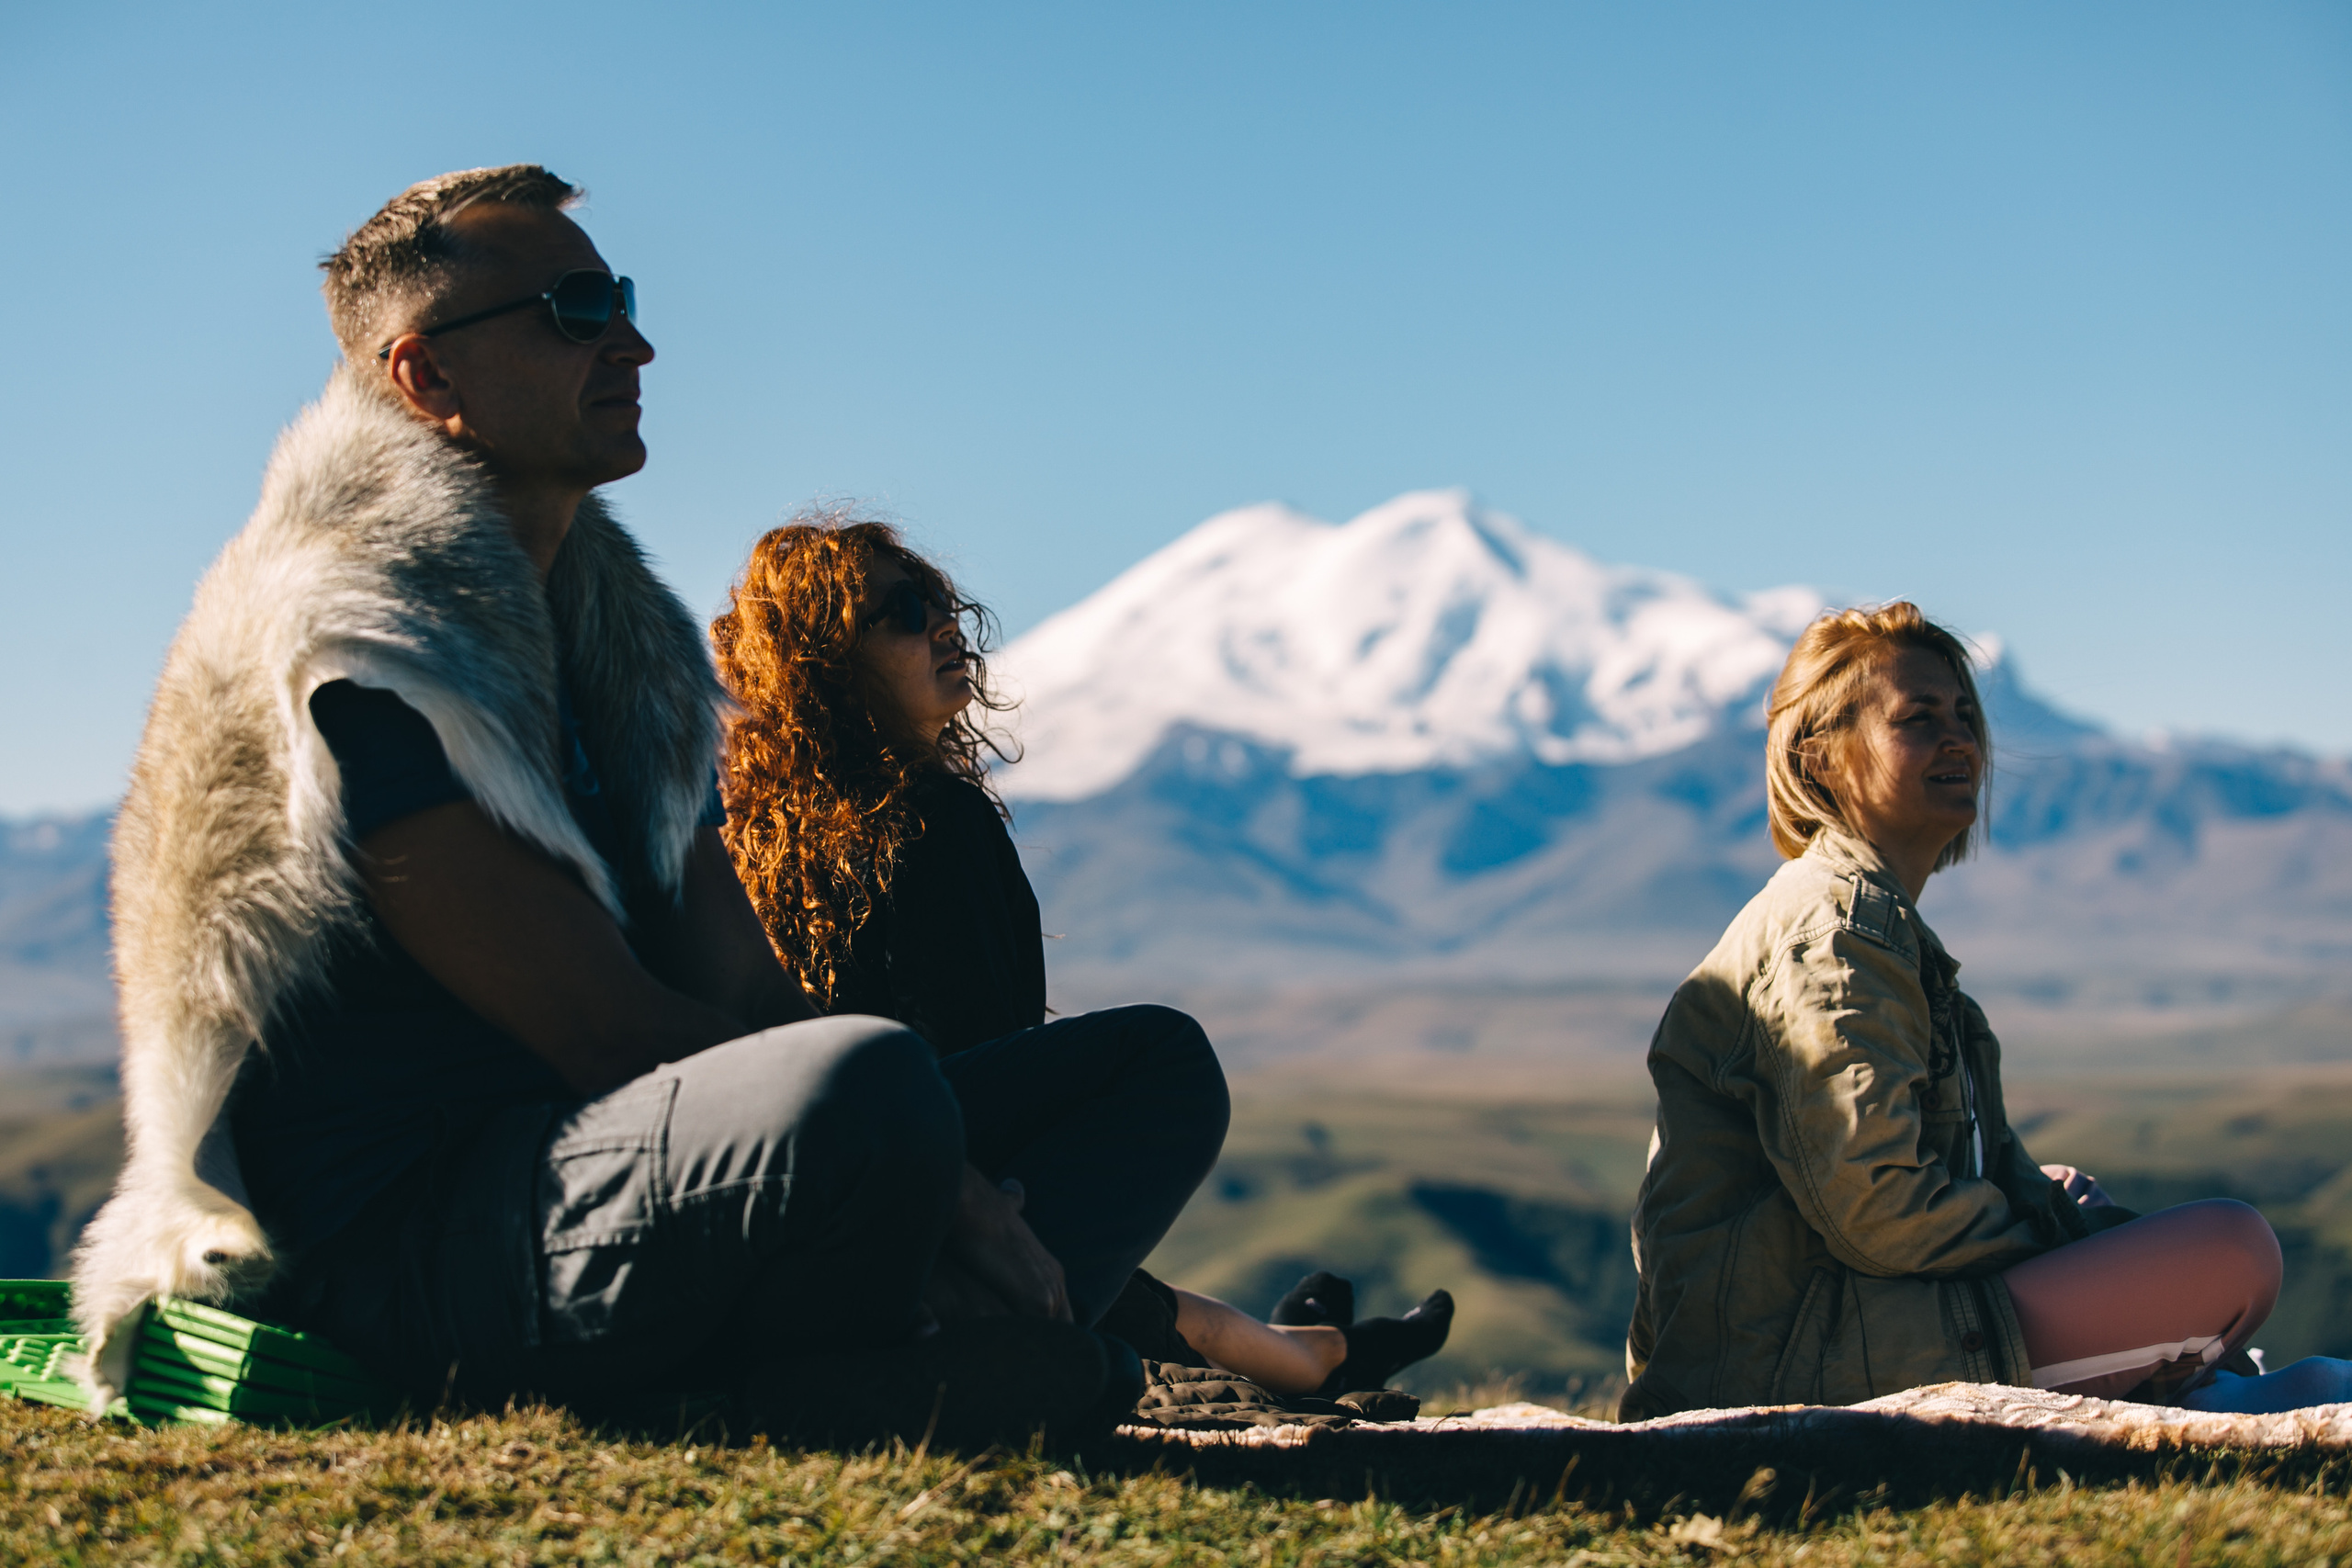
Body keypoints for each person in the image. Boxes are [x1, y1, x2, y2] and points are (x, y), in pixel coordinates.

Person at [73, 165, 1233, 1449]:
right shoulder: (354, 652)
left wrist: (925, 1157)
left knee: (1148, 1064)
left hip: (620, 1177)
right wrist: (946, 1187)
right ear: (429, 380)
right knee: (864, 1081)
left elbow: (741, 981)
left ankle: (879, 1365)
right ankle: (876, 1373)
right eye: (574, 309)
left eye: (618, 296)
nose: (635, 341)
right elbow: (602, 1025)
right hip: (431, 1244)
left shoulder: (623, 655)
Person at [707, 513, 1454, 1399]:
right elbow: (994, 1073)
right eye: (904, 610)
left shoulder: (736, 833)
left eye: (944, 601)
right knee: (1165, 1056)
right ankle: (1269, 1350)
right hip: (906, 1206)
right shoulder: (933, 821)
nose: (945, 625)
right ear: (826, 659)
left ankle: (1291, 1349)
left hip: (804, 1211)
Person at [1621, 601, 2352, 1422]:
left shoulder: (1880, 929)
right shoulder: (1831, 936)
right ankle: (2203, 1385)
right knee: (2234, 1249)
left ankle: (2189, 1379)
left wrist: (2054, 1213)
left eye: (1965, 715)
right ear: (1820, 759)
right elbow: (1878, 1207)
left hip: (1831, 1331)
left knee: (2072, 1192)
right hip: (1799, 1365)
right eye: (1919, 718)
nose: (1959, 738)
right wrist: (2055, 1242)